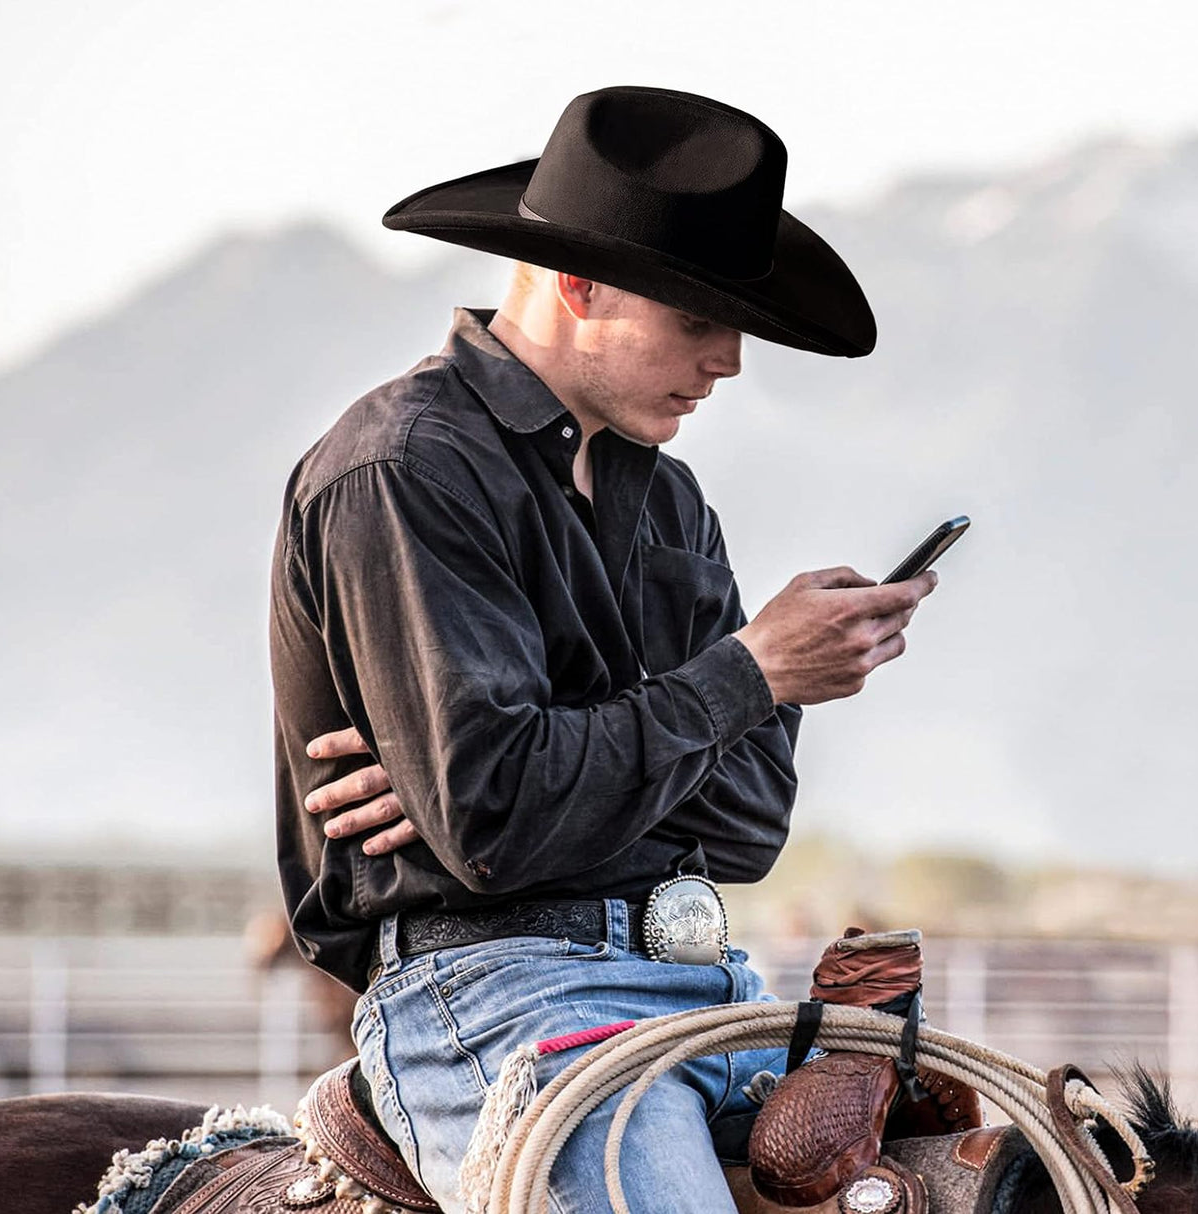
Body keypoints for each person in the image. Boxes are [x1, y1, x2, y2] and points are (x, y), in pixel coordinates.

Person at [269, 85, 937, 1214]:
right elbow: (495, 822)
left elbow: (742, 826)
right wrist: (749, 675)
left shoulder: (671, 504)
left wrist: (548, 765)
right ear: (580, 284)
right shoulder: (404, 468)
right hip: (496, 995)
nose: (725, 359)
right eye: (696, 320)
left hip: (709, 986)